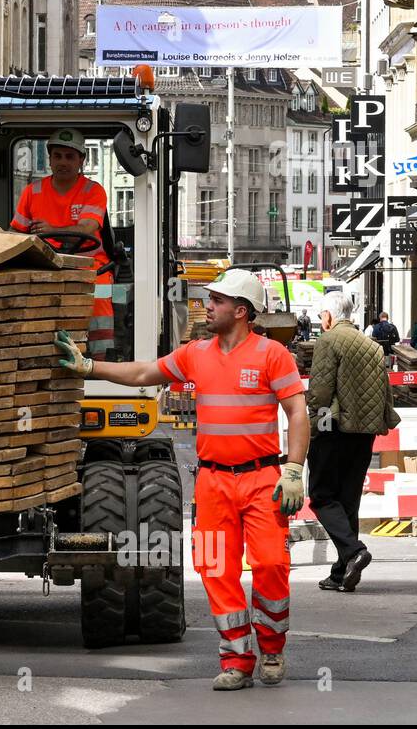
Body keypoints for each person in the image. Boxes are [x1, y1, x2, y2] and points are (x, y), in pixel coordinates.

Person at [55, 268, 310, 691]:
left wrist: (295, 469)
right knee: (214, 567)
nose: (207, 307)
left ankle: (272, 649)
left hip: (262, 479)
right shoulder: (196, 354)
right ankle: (236, 659)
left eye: (217, 301)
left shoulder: (271, 355)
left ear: (241, 311)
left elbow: (298, 412)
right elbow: (142, 375)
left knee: (271, 564)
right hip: (212, 484)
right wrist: (88, 367)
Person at [306, 292, 401, 592]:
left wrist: (312, 426)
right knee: (348, 502)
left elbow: (320, 393)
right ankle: (341, 572)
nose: (322, 322)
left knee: (321, 496)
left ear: (330, 317)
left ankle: (354, 552)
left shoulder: (328, 341)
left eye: (322, 316)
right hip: (364, 433)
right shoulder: (372, 346)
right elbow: (384, 391)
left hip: (333, 429)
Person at [11, 128, 114, 358]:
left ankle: (100, 362)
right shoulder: (32, 192)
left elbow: (88, 228)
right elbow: (16, 233)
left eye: (69, 156)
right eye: (57, 156)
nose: (63, 162)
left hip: (90, 268)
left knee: (99, 298)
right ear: (50, 158)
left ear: (81, 160)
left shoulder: (93, 191)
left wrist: (51, 230)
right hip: (46, 265)